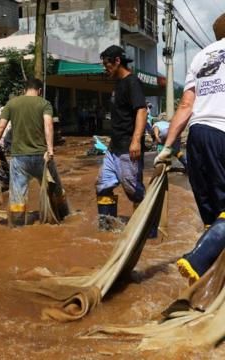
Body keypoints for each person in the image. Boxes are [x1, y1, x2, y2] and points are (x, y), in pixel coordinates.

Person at [155, 13, 225, 284]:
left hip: (197, 136)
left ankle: (206, 282)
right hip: (223, 133)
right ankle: (197, 260)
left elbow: (186, 106)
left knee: (214, 217)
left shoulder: (202, 56)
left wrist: (168, 147)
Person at [0, 78, 67, 227]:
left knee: (18, 196)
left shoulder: (12, 104)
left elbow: (1, 127)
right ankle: (63, 217)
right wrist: (50, 149)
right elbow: (48, 125)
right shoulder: (44, 104)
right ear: (39, 91)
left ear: (24, 90)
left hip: (19, 158)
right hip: (41, 157)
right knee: (55, 188)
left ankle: (18, 228)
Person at [95, 45, 148, 231]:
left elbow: (141, 110)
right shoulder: (118, 84)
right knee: (102, 185)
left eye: (107, 64)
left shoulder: (132, 82)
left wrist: (136, 140)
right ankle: (107, 229)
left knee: (133, 191)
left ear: (117, 61)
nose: (104, 68)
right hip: (114, 148)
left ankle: (146, 231)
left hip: (128, 147)